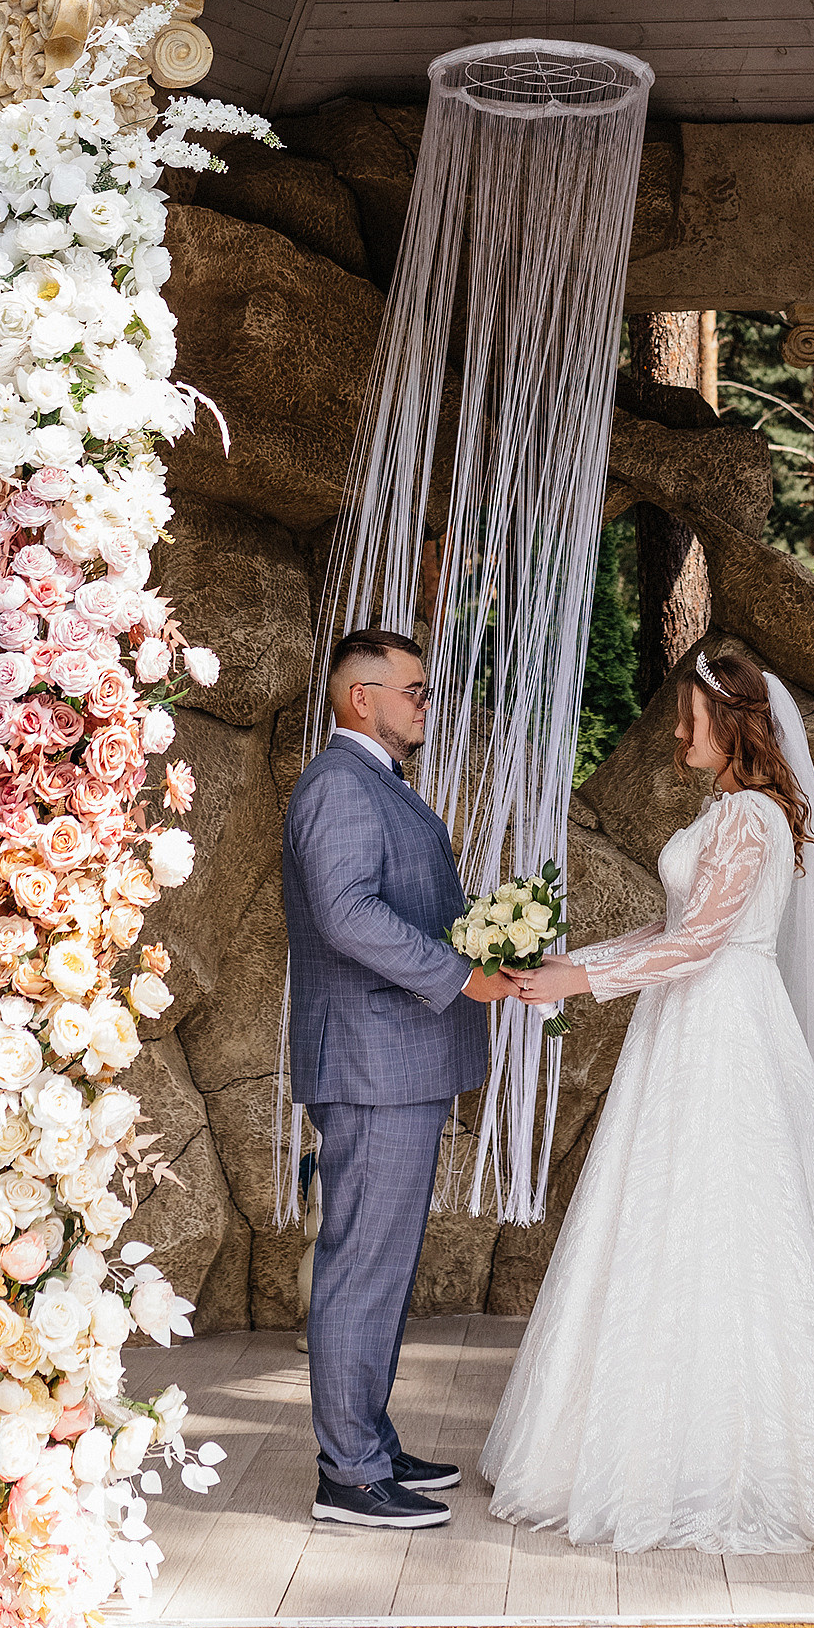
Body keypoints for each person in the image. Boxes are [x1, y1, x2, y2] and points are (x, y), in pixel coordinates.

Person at [481, 647, 814, 1557]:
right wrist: (571, 963)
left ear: (736, 722)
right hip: (692, 1019)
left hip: (722, 1027)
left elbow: (703, 943)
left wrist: (581, 981)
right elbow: (676, 929)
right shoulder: (735, 811)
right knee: (669, 1222)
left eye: (692, 718)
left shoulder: (751, 815)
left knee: (729, 1224)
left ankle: (729, 1460)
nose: (677, 733)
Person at [282, 626, 508, 1531]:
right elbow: (347, 915)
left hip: (397, 1059)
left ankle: (368, 1435)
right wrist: (461, 973)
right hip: (374, 1062)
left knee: (383, 1263)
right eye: (412, 689)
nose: (425, 702)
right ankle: (350, 1474)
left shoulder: (375, 783)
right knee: (362, 1266)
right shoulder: (340, 783)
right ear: (358, 697)